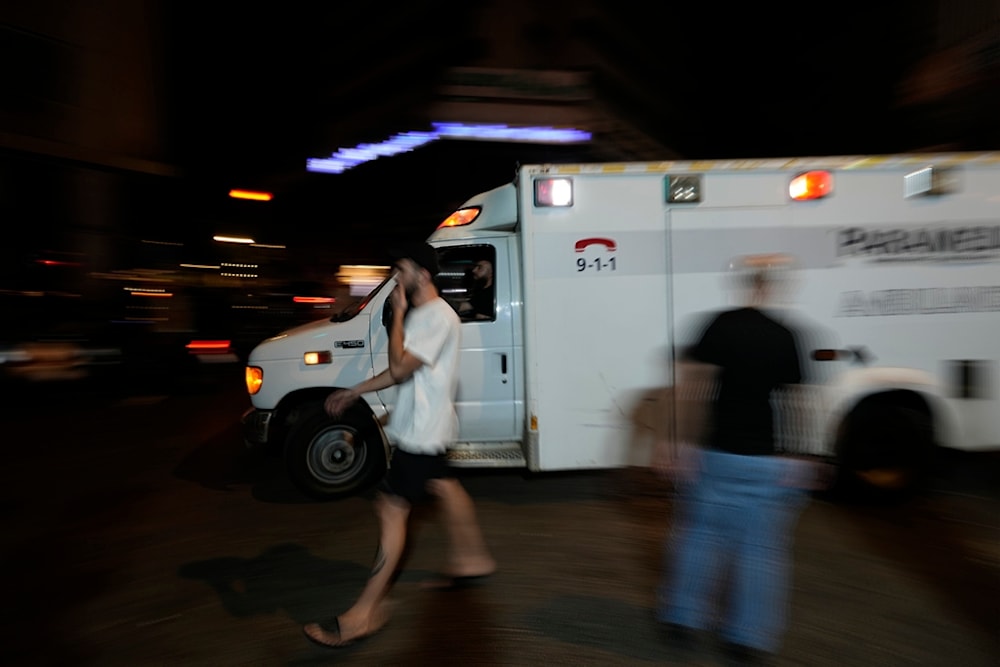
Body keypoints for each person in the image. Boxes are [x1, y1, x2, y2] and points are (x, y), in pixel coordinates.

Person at [303, 242, 496, 648]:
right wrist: (355, 391)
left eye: (400, 270)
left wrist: (400, 314)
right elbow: (402, 375)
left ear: (421, 274)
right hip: (432, 428)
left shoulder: (432, 317)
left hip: (422, 435)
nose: (394, 278)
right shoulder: (432, 316)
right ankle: (471, 558)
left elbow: (398, 366)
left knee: (390, 510)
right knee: (445, 485)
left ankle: (362, 616)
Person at [653, 254, 824, 665]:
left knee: (698, 536)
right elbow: (799, 403)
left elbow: (691, 389)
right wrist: (801, 455)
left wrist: (677, 444)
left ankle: (683, 617)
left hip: (716, 452)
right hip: (764, 458)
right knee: (760, 550)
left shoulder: (718, 325)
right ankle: (747, 637)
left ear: (745, 287)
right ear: (773, 288)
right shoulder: (787, 335)